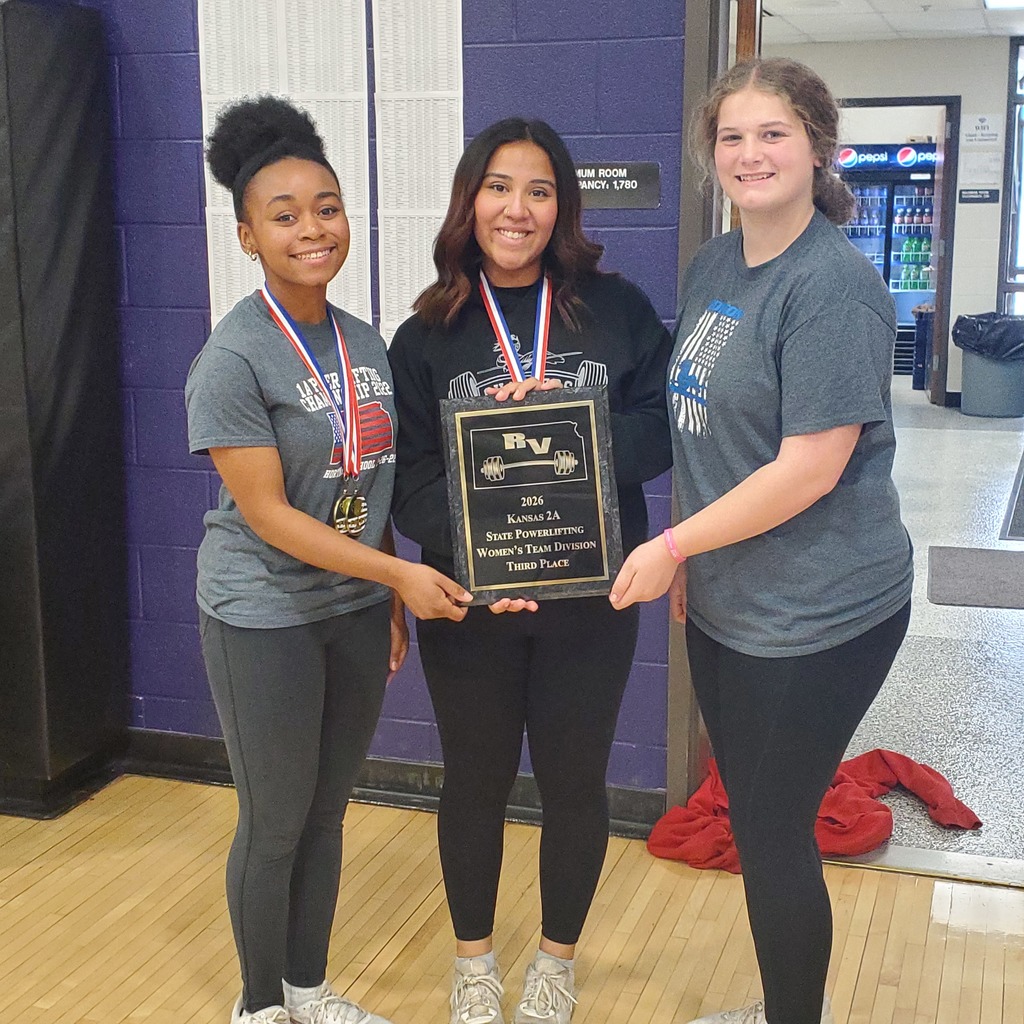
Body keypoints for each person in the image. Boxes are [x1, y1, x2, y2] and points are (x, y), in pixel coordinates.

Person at [609, 58, 914, 1024]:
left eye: (774, 133)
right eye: (732, 137)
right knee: (754, 811)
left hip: (825, 608)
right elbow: (698, 425)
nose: (751, 154)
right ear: (712, 155)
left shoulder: (833, 286)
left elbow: (809, 467)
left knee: (773, 827)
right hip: (733, 596)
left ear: (818, 147)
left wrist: (672, 546)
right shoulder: (712, 265)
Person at [185, 96, 471, 1024]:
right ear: (247, 236)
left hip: (351, 609)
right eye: (284, 215)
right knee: (273, 823)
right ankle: (258, 1006)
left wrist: (380, 591)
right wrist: (396, 580)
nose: (312, 229)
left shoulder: (360, 342)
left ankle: (309, 991)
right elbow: (266, 514)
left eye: (327, 207)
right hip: (262, 613)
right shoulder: (233, 359)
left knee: (326, 812)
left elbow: (368, 480)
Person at [387, 118, 673, 1024]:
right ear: (470, 201)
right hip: (473, 603)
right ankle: (475, 966)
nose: (518, 208)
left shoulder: (616, 310)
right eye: (500, 187)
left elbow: (666, 428)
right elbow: (411, 483)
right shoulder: (426, 334)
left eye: (539, 190)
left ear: (563, 205)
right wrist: (477, 561)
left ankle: (555, 960)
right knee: (472, 781)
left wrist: (572, 419)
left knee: (574, 783)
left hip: (591, 597)